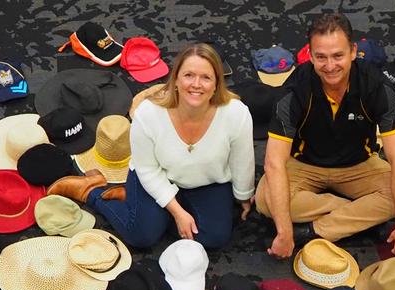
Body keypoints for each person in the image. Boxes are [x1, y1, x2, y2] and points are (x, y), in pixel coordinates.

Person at [47, 43, 255, 249]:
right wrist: (177, 211)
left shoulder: (236, 114)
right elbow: (147, 169)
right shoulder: (149, 114)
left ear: (217, 84)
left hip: (207, 182)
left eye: (206, 77)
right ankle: (92, 191)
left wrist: (243, 196)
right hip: (158, 175)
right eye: (189, 75)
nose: (196, 84)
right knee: (141, 237)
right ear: (175, 79)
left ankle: (138, 205)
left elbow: (242, 161)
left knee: (214, 239)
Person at [255, 13, 395, 259]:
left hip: (359, 164)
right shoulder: (293, 91)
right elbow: (274, 163)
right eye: (321, 57)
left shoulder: (378, 87)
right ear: (310, 55)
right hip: (304, 163)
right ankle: (355, 214)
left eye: (338, 56)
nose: (330, 66)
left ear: (352, 52)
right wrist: (284, 233)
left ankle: (312, 231)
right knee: (264, 200)